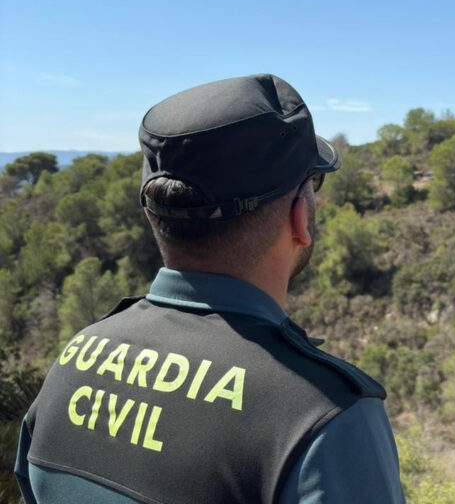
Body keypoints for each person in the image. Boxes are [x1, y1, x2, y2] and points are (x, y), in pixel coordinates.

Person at [15, 74, 406, 503]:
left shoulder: (75, 358)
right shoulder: (323, 416)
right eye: (314, 186)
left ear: (151, 216)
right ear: (301, 217)